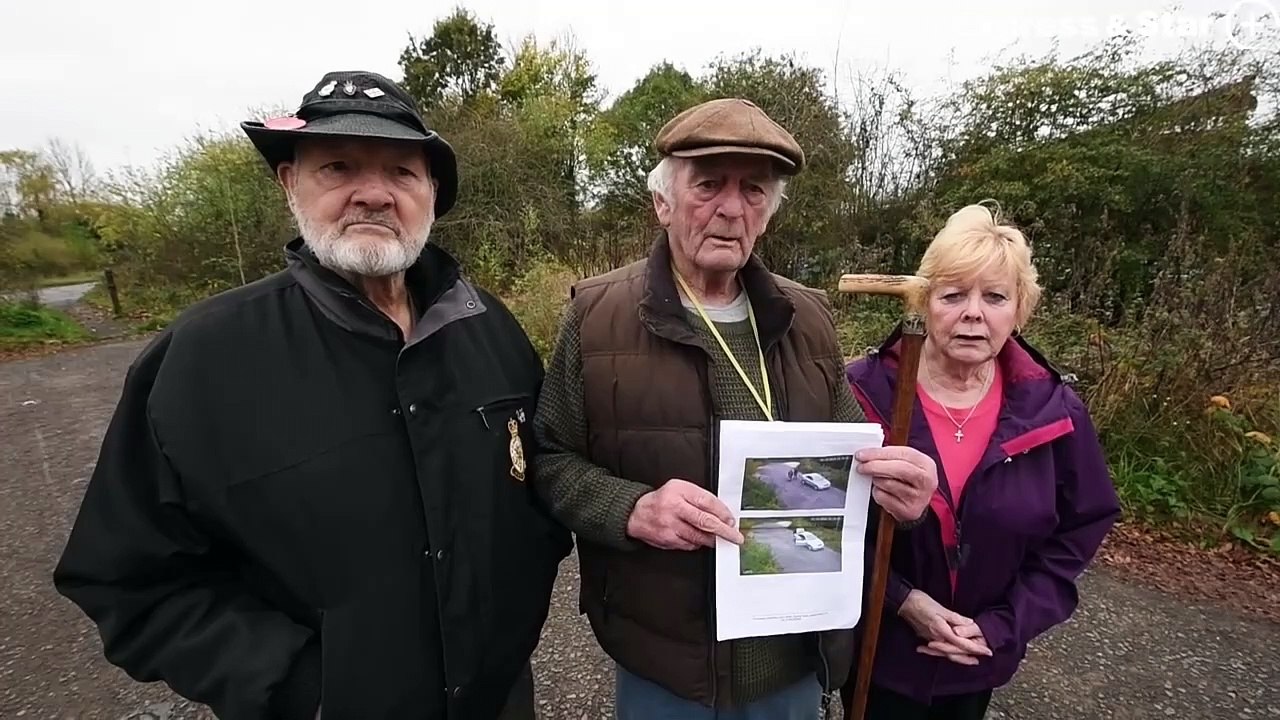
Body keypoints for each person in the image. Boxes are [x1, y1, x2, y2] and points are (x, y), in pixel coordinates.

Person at [52, 70, 571, 720]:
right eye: (338, 167)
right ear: (289, 182)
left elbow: (540, 494)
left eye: (402, 173)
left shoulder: (490, 330)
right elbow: (125, 577)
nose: (374, 195)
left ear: (432, 192)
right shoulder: (202, 359)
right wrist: (299, 687)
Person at [531, 97, 940, 720]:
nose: (731, 207)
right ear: (663, 202)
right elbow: (550, 459)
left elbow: (850, 466)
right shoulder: (595, 315)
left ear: (768, 214)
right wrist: (633, 509)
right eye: (709, 184)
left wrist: (899, 495)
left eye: (753, 189)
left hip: (792, 656)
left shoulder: (809, 318)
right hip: (664, 664)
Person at [843, 204, 1121, 719]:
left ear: (1019, 310)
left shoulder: (1053, 411)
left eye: (994, 296)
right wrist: (903, 601)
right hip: (879, 652)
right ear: (925, 304)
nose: (974, 313)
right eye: (953, 295)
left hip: (977, 657)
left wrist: (1001, 625)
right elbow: (816, 523)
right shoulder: (862, 393)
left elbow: (1078, 532)